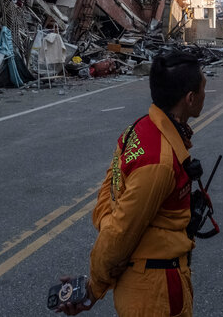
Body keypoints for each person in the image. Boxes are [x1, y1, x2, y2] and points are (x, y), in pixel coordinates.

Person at [56, 50, 208, 316]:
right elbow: (119, 234)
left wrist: (107, 222)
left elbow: (111, 189)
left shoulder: (137, 130)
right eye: (204, 88)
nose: (206, 94)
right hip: (155, 295)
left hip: (143, 283)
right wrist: (93, 289)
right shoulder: (160, 163)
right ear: (190, 98)